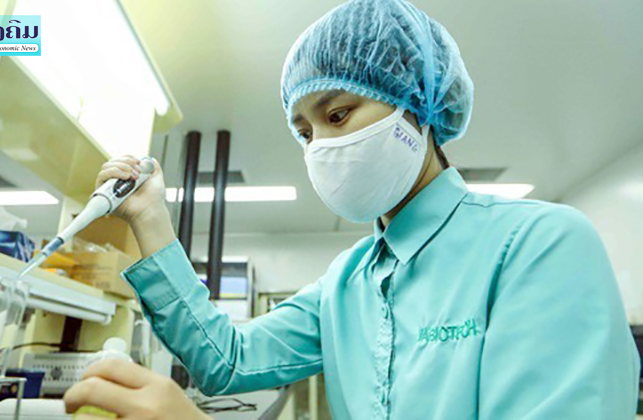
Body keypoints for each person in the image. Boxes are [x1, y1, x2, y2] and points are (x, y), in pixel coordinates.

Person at [64, 0, 641, 418]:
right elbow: (228, 361)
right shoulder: (347, 284)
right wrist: (151, 219)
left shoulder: (538, 245)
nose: (320, 147)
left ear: (415, 102)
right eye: (304, 132)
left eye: (337, 114)